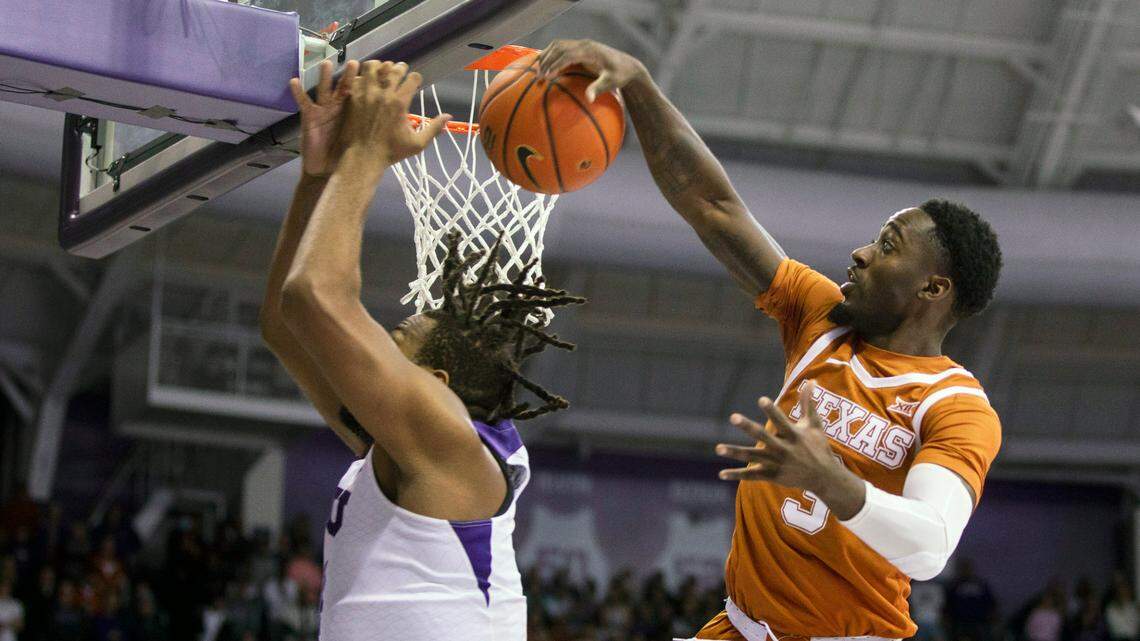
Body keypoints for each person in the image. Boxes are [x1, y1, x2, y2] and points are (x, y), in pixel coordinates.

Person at [536, 39, 1003, 641]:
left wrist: (828, 479)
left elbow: (930, 548)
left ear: (933, 288)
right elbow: (713, 206)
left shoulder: (956, 407)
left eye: (887, 247)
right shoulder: (824, 317)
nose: (861, 253)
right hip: (739, 627)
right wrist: (638, 84)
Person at [259, 59, 584, 641]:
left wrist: (367, 153)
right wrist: (320, 174)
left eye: (394, 342)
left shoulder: (444, 443)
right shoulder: (425, 444)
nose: (375, 346)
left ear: (436, 381)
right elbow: (291, 324)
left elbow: (310, 300)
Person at [1105, 573, 1139, 641]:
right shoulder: (1111, 608)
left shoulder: (1133, 607)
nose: (1124, 592)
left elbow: (1135, 627)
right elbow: (1115, 628)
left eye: (1126, 589)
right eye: (1121, 589)